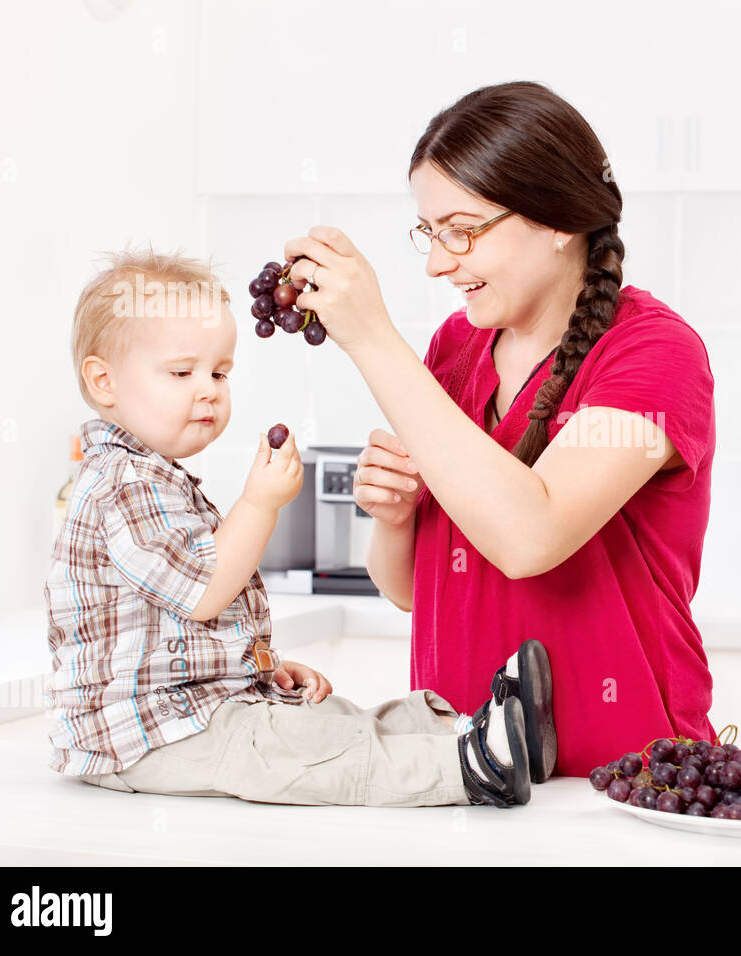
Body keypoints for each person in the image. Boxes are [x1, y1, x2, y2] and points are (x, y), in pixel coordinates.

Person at [281, 81, 717, 777]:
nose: (437, 261)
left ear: (558, 221)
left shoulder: (654, 354)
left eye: (463, 230)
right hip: (460, 771)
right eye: (429, 231)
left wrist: (371, 339)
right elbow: (412, 592)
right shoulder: (454, 349)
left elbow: (528, 537)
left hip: (625, 781)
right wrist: (393, 519)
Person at [44, 248, 550, 808]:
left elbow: (178, 631)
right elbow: (207, 591)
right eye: (183, 372)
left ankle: (465, 729)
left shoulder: (153, 477)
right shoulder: (122, 483)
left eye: (220, 372)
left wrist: (257, 668)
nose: (209, 389)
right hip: (142, 734)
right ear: (104, 381)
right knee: (286, 750)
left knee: (327, 722)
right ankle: (470, 767)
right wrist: (259, 504)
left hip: (190, 711)